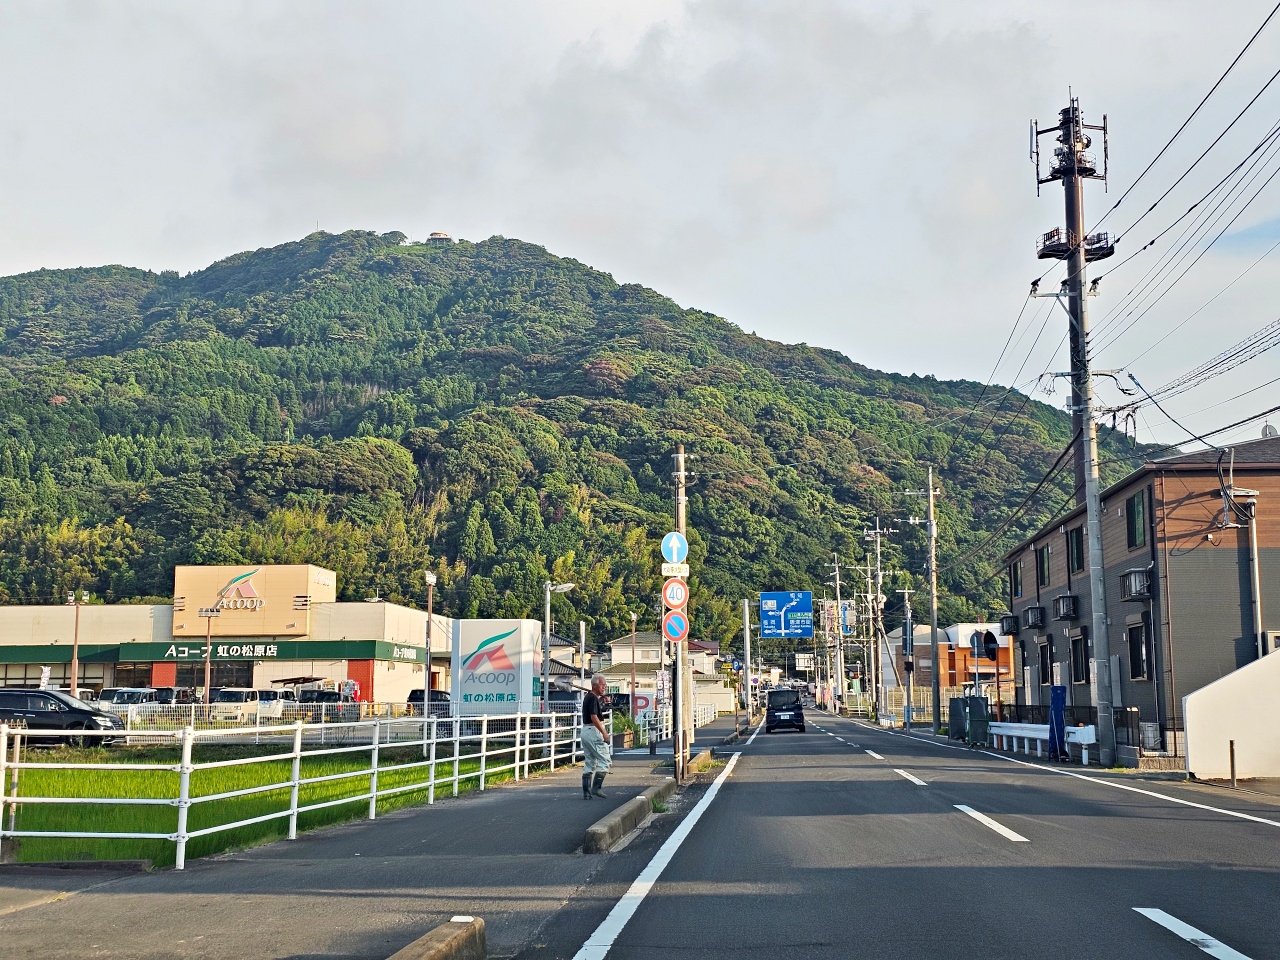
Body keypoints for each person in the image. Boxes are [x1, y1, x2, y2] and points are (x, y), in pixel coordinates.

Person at [581, 674, 613, 799]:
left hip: (585, 731)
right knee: (605, 760)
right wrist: (604, 733)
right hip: (593, 731)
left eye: (605, 685)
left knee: (590, 761)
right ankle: (596, 788)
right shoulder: (593, 698)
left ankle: (586, 792)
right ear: (595, 685)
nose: (604, 687)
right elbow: (594, 716)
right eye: (602, 684)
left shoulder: (589, 697)